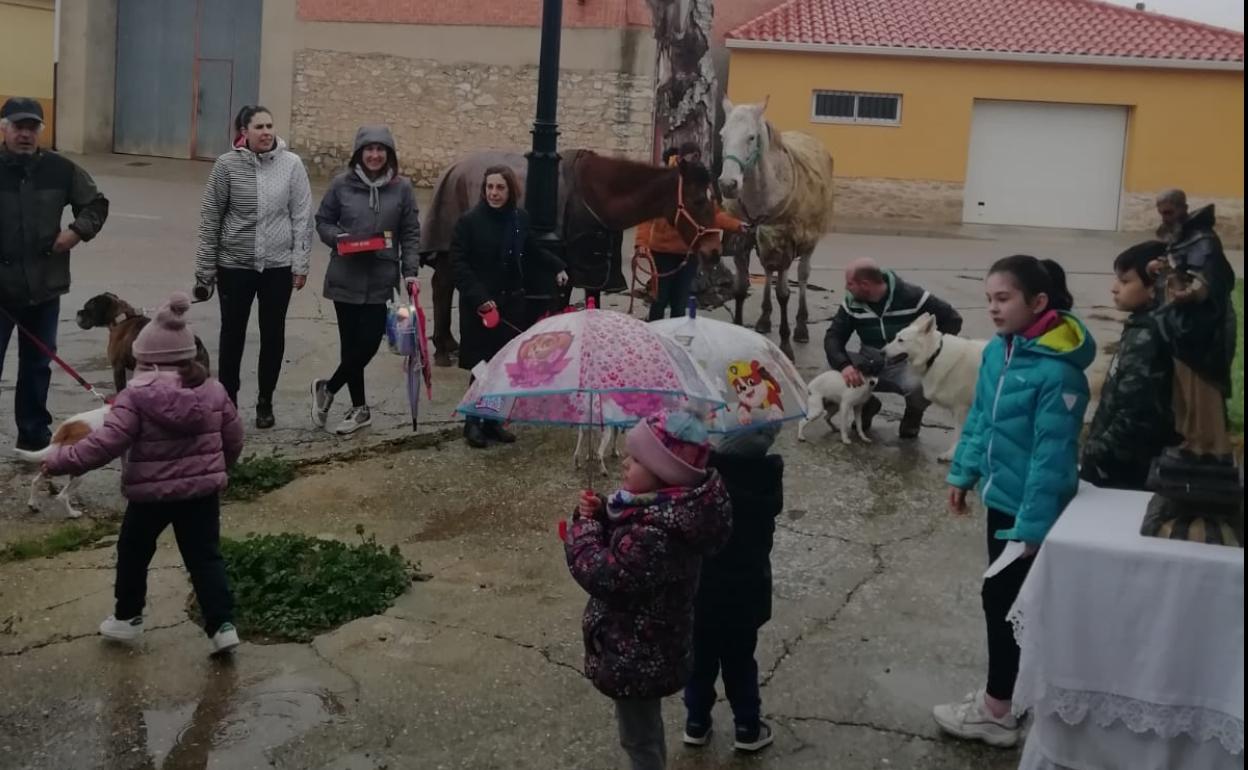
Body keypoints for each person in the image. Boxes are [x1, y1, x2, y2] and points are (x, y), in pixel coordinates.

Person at [934, 255, 1094, 748]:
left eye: (1003, 299)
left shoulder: (1058, 375)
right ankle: (1011, 695)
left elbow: (1051, 459)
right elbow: (981, 418)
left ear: (1038, 302)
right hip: (1001, 500)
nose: (993, 309)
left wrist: (1030, 528)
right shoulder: (1000, 353)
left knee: (1005, 604)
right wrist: (963, 472)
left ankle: (998, 712)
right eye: (989, 299)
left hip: (1028, 513)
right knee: (1003, 602)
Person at [39, 293, 244, 655]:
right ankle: (222, 625)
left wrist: (61, 460)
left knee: (133, 553)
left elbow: (105, 444)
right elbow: (234, 435)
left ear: (144, 358)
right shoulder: (213, 391)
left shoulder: (135, 397)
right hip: (201, 494)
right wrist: (221, 467)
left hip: (149, 497)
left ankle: (127, 617)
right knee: (205, 557)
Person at [565, 410, 733, 770]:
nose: (624, 462)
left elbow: (605, 574)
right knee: (643, 730)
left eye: (636, 458)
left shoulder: (658, 531)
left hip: (638, 652)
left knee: (639, 739)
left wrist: (582, 532)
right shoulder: (661, 511)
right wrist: (600, 516)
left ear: (664, 473)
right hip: (646, 644)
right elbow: (628, 539)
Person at [1, 96, 110, 451]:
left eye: (32, 128)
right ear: (4, 129)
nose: (25, 135)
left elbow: (96, 203)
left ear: (40, 131)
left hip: (45, 288)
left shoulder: (61, 170)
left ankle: (33, 437)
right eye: (19, 127)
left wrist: (76, 232)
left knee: (37, 368)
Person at [194, 104, 312, 429]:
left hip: (277, 267)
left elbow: (302, 216)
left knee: (273, 335)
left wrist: (300, 263)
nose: (266, 132)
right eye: (258, 127)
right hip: (235, 266)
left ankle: (265, 401)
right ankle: (228, 403)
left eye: (269, 126)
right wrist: (205, 269)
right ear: (243, 132)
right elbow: (211, 219)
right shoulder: (226, 166)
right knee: (232, 336)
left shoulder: (291, 165)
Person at [310, 125, 420, 435]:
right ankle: (360, 409)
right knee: (350, 347)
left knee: (369, 344)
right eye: (369, 149)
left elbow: (410, 232)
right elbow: (323, 221)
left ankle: (327, 388)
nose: (374, 155)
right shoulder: (341, 185)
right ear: (359, 153)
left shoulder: (402, 189)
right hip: (345, 276)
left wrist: (410, 271)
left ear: (389, 154)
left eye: (380, 149)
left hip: (382, 279)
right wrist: (339, 238)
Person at [451, 165, 568, 448]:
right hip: (481, 307)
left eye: (500, 188)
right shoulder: (469, 222)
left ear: (510, 190)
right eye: (489, 187)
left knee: (502, 365)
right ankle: (472, 423)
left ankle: (492, 420)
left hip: (511, 302)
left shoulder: (519, 218)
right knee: (482, 366)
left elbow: (531, 250)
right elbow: (459, 264)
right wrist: (480, 298)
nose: (494, 193)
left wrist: (557, 267)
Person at [682, 425, 783, 754]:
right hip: (745, 597)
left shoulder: (703, 483)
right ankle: (747, 727)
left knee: (699, 663)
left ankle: (696, 722)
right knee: (741, 663)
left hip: (703, 596)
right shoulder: (766, 485)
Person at [824, 258, 962, 438]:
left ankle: (913, 416)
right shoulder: (851, 303)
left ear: (865, 284)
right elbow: (834, 336)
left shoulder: (913, 296)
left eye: (850, 283)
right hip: (870, 360)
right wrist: (845, 365)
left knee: (921, 385)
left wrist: (928, 353)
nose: (846, 288)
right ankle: (867, 404)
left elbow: (952, 320)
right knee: (830, 372)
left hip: (905, 364)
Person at [1080, 241, 1179, 490]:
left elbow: (1135, 410)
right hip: (1122, 459)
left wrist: (1094, 454)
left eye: (1125, 282)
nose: (1114, 289)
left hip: (1125, 467)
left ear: (1154, 287)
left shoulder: (1148, 336)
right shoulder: (1142, 326)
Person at [635, 143, 745, 321]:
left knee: (680, 301)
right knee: (659, 299)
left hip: (689, 250)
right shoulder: (663, 181)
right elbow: (647, 214)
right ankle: (655, 336)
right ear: (681, 157)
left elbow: (712, 214)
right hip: (662, 251)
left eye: (697, 156)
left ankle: (676, 338)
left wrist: (736, 225)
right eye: (692, 156)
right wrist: (641, 243)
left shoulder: (702, 183)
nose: (695, 160)